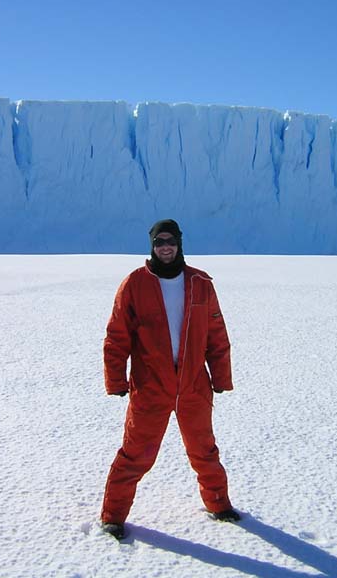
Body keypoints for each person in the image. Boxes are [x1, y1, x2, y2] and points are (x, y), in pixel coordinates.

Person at [100, 219, 240, 540]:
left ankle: (218, 504)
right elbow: (116, 336)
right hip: (151, 388)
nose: (165, 247)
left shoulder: (201, 283)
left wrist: (221, 377)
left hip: (193, 386)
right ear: (152, 246)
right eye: (159, 242)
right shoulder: (135, 284)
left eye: (171, 241)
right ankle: (113, 515)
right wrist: (116, 381)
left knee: (204, 451)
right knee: (135, 455)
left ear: (179, 243)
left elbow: (217, 335)